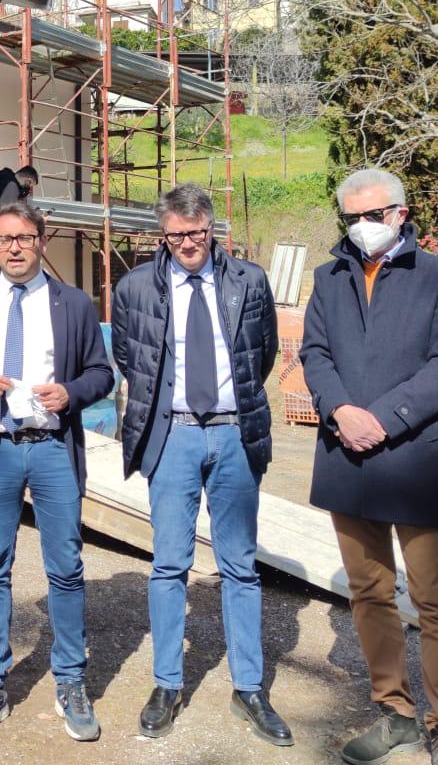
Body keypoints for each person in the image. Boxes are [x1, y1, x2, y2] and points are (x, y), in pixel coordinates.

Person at [300, 169, 438, 765]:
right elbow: (314, 353)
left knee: (435, 600)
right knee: (369, 592)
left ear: (401, 213)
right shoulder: (329, 277)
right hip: (346, 453)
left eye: (372, 215)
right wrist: (341, 411)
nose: (361, 228)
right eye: (351, 217)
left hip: (414, 456)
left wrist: (384, 418)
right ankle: (394, 712)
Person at [110, 184, 291, 746]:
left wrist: (230, 408)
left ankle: (250, 689)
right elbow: (129, 356)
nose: (189, 243)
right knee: (169, 564)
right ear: (163, 235)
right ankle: (167, 684)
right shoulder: (136, 285)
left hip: (234, 434)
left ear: (213, 229)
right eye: (177, 234)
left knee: (240, 564)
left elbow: (261, 354)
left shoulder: (249, 280)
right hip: (174, 437)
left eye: (198, 232)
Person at [0, 199, 114, 744]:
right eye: (3, 239)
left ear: (41, 241)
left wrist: (71, 393)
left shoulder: (73, 303)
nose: (13, 247)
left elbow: (102, 374)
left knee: (65, 566)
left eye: (24, 237)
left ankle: (71, 681)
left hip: (54, 448)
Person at [0, 166, 39, 273]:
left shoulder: (2, 181)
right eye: (31, 185)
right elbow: (8, 215)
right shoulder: (12, 187)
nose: (29, 189)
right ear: (28, 181)